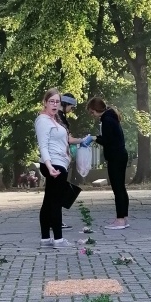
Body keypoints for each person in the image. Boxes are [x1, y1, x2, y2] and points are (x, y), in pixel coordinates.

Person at [35, 89, 77, 248]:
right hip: (54, 164)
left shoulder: (55, 120)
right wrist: (49, 165)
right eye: (51, 101)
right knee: (55, 201)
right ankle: (58, 239)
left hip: (59, 163)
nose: (54, 104)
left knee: (48, 201)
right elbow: (43, 146)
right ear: (45, 103)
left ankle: (45, 238)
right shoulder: (43, 120)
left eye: (57, 102)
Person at [87, 97, 129, 228]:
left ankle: (120, 219)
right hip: (120, 155)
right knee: (121, 188)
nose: (92, 115)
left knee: (118, 189)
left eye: (92, 112)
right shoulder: (111, 117)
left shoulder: (107, 120)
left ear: (96, 109)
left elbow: (107, 140)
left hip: (115, 157)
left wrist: (93, 138)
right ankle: (124, 217)